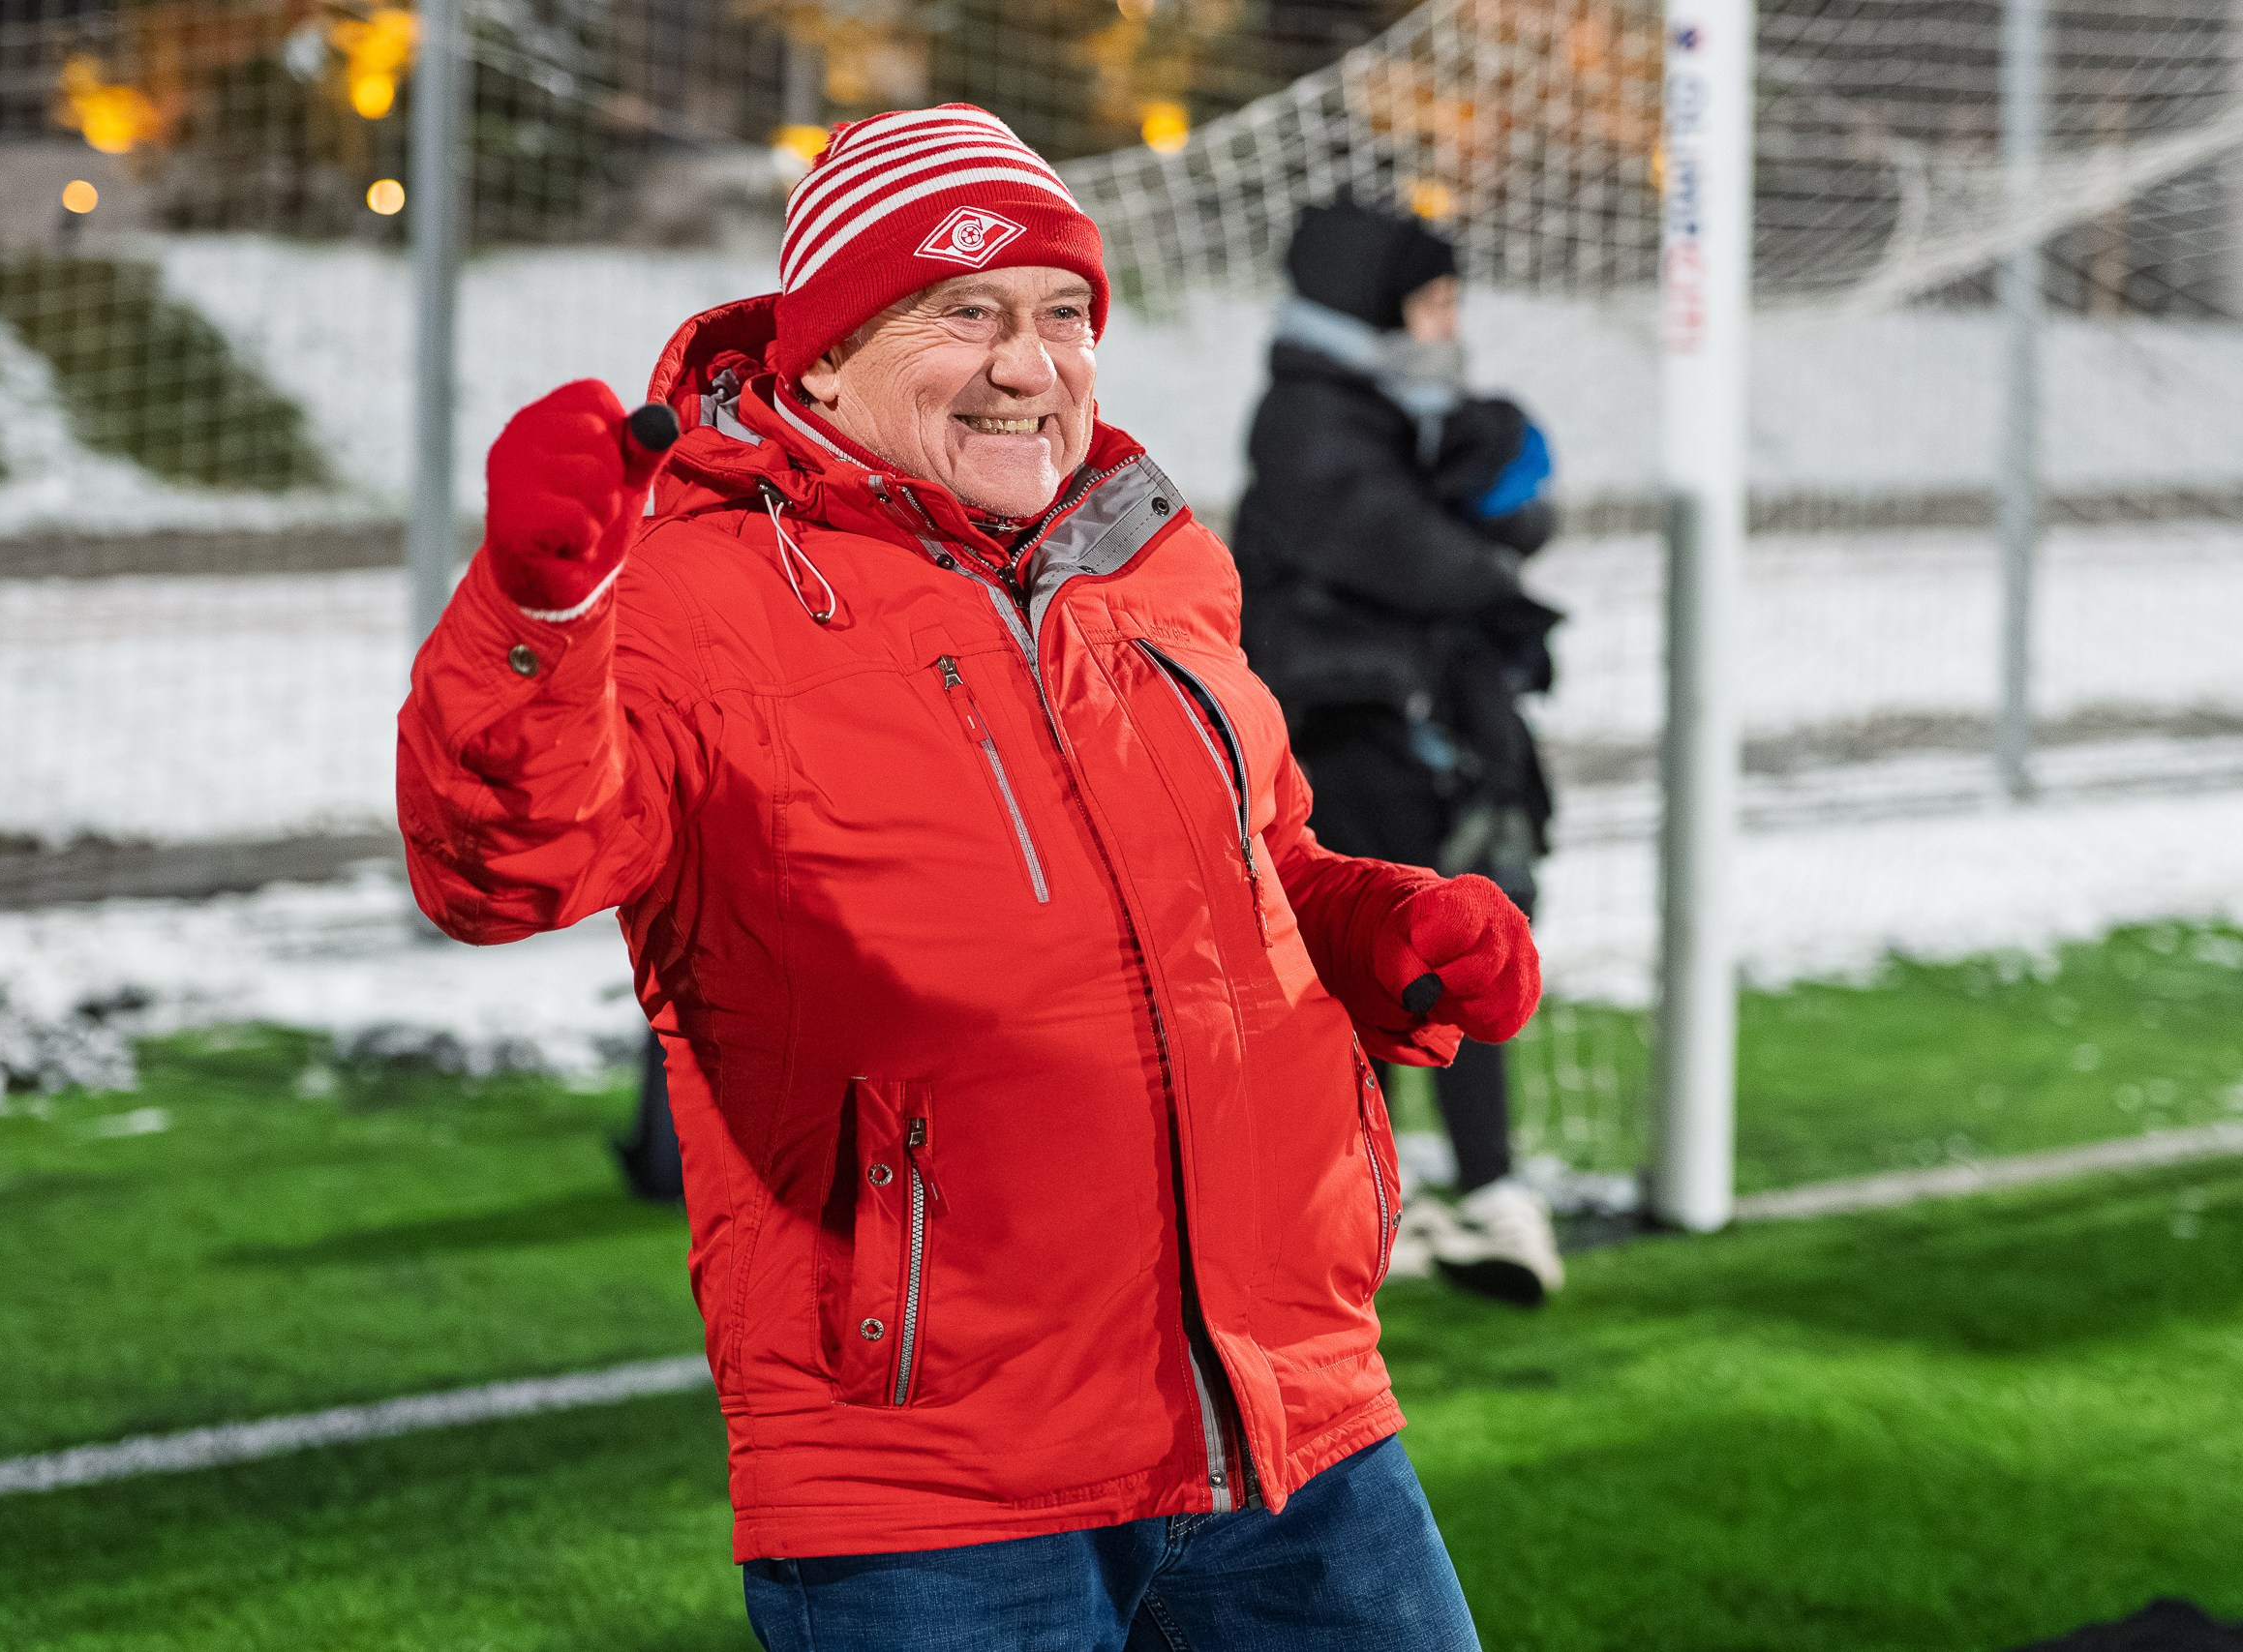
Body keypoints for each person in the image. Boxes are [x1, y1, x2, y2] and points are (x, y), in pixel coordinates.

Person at [399, 106, 1539, 1650]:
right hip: (936, 1489)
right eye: (967, 313)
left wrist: (1377, 926)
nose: (1033, 363)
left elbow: (1261, 863)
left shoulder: (1150, 556)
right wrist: (540, 607)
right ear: (818, 358)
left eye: (1066, 314)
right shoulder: (683, 593)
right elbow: (498, 868)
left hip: (1293, 1417)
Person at [1232, 202, 1567, 1307]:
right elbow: (1417, 557)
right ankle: (1381, 1197)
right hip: (1343, 737)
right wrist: (1478, 532)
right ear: (1369, 306)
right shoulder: (1306, 417)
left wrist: (1505, 475)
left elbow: (1513, 518)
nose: (1448, 321)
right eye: (1430, 300)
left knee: (1454, 944)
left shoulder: (1405, 410)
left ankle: (1478, 1191)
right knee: (1382, 962)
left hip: (1426, 732)